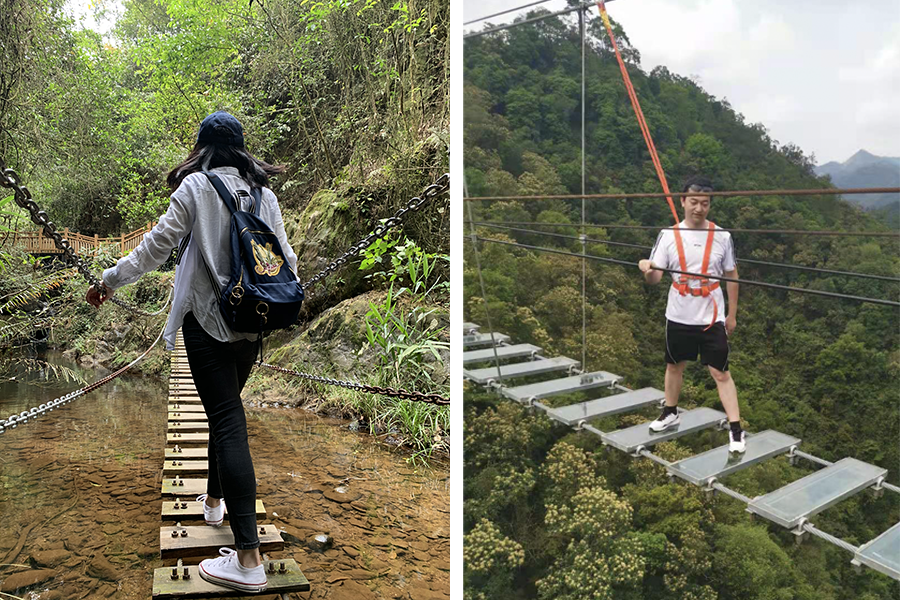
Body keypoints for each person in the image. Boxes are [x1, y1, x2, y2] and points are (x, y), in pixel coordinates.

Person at [86, 111, 297, 593]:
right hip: (253, 321)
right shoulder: (265, 195)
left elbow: (153, 250)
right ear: (241, 149)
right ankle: (214, 503)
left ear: (202, 148)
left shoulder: (196, 189)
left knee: (225, 419)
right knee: (227, 413)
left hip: (207, 321)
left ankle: (247, 561)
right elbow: (286, 258)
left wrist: (107, 281)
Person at [637, 176, 745, 453]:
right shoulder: (668, 235)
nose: (699, 208)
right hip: (679, 314)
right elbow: (656, 278)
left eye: (705, 203)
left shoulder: (722, 236)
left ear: (710, 205)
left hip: (711, 315)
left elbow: (731, 275)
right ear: (682, 201)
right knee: (674, 365)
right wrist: (648, 270)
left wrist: (732, 315)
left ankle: (736, 430)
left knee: (720, 372)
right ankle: (670, 411)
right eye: (694, 202)